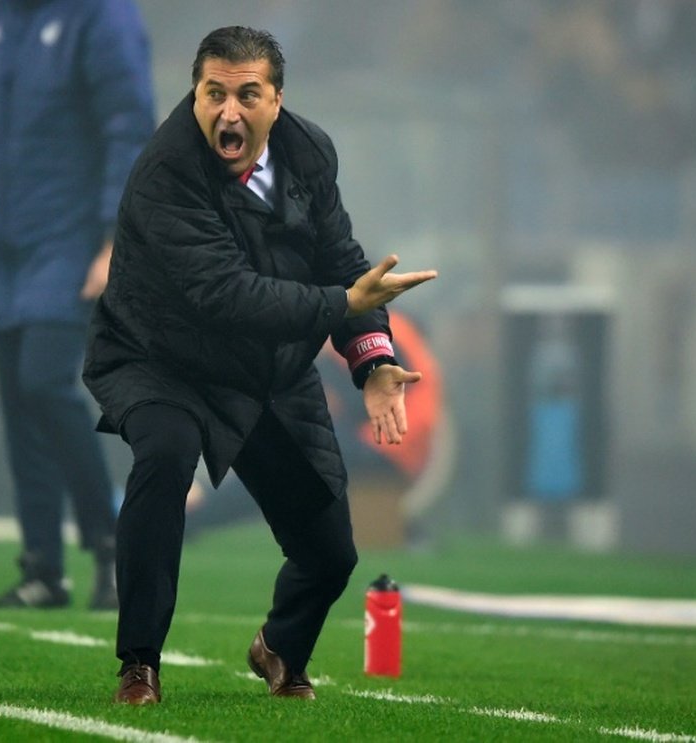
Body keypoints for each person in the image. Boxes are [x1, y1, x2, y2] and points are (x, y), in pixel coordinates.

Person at [83, 26, 438, 704]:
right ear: (196, 95)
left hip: (269, 366)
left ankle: (278, 645)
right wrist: (340, 302)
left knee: (332, 552)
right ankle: (139, 663)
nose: (228, 111)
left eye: (248, 94)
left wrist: (374, 360)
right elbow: (224, 294)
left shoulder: (309, 153)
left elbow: (341, 257)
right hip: (161, 356)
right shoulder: (165, 171)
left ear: (277, 101)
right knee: (163, 455)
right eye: (213, 94)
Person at [0, 0, 156, 610]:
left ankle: (112, 540)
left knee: (43, 381)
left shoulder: (101, 16)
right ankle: (43, 569)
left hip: (66, 238)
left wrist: (113, 238)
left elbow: (127, 126)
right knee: (18, 399)